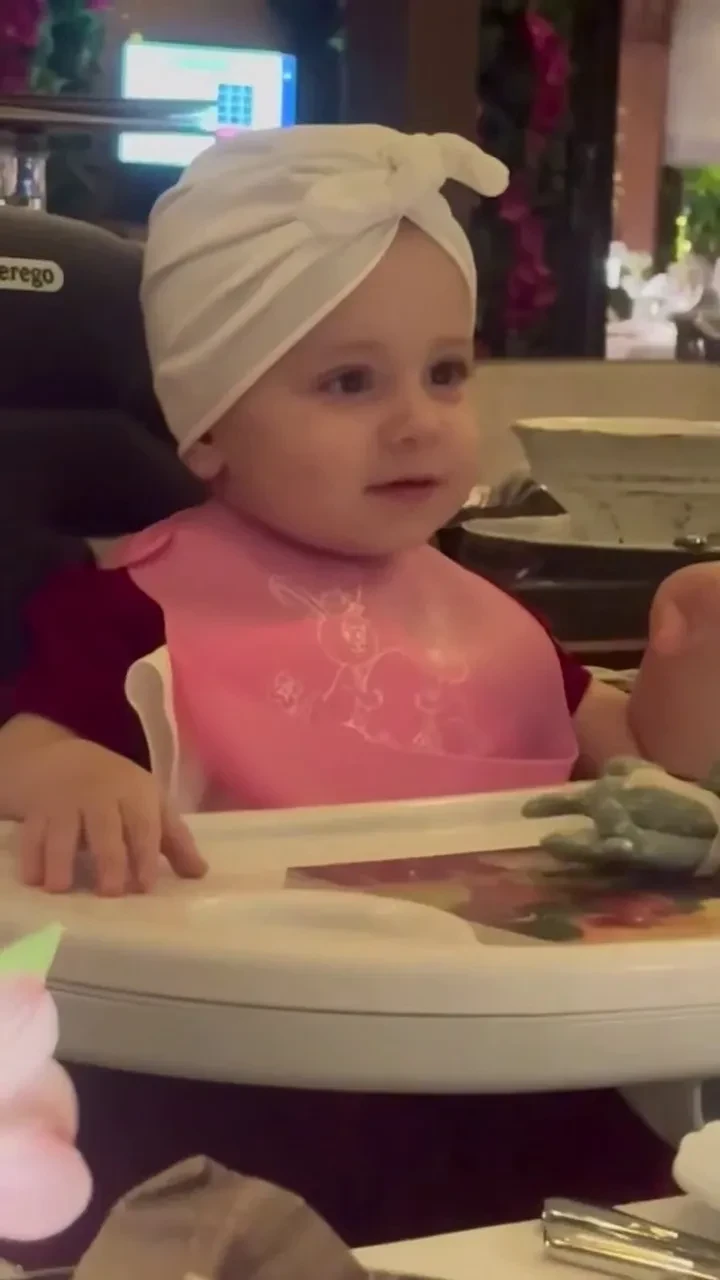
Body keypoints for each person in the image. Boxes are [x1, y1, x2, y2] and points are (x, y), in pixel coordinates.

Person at [0, 125, 646, 896]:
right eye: (350, 382)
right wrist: (70, 773)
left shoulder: (487, 626)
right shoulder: (133, 616)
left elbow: (639, 758)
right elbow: (20, 751)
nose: (418, 423)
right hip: (246, 964)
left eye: (444, 373)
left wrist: (692, 649)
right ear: (208, 429)